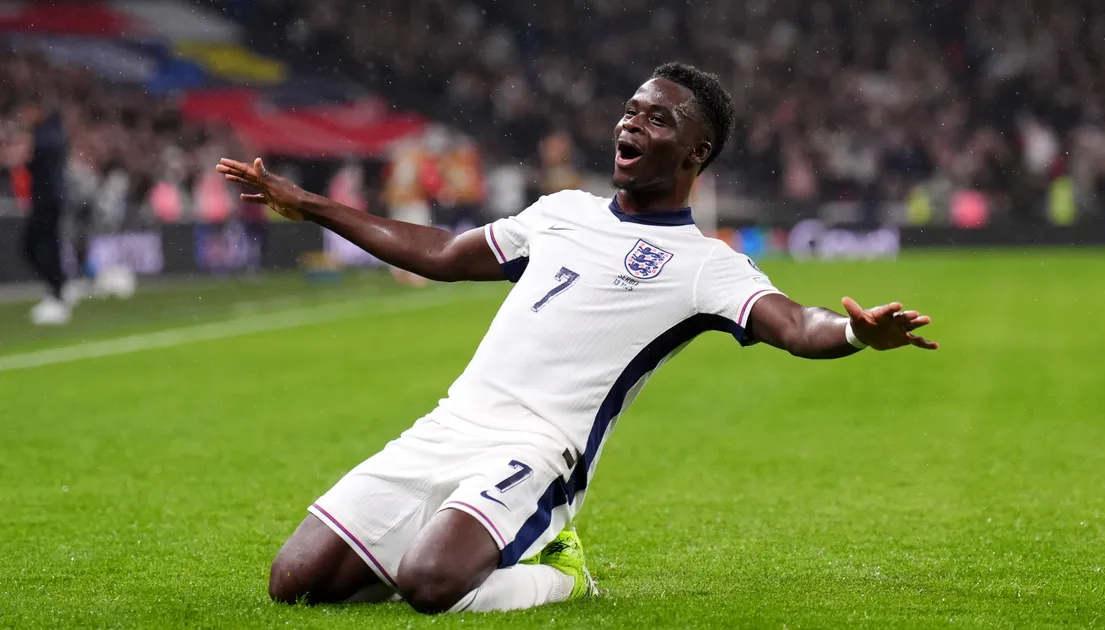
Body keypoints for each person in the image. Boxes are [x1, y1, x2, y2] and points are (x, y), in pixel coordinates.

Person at [216, 63, 938, 615]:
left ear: (697, 151)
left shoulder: (704, 267)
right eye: (630, 111)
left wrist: (851, 331)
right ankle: (452, 537)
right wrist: (308, 204)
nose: (631, 126)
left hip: (536, 452)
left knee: (432, 587)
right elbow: (440, 252)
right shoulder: (560, 212)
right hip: (449, 424)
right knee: (296, 584)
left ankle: (557, 569)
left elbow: (790, 323)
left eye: (657, 120)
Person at [16, 96, 71, 324]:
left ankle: (57, 290)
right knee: (47, 247)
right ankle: (58, 289)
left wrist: (26, 156)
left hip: (46, 200)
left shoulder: (47, 135)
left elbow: (40, 161)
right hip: (50, 199)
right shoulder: (53, 133)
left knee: (33, 247)